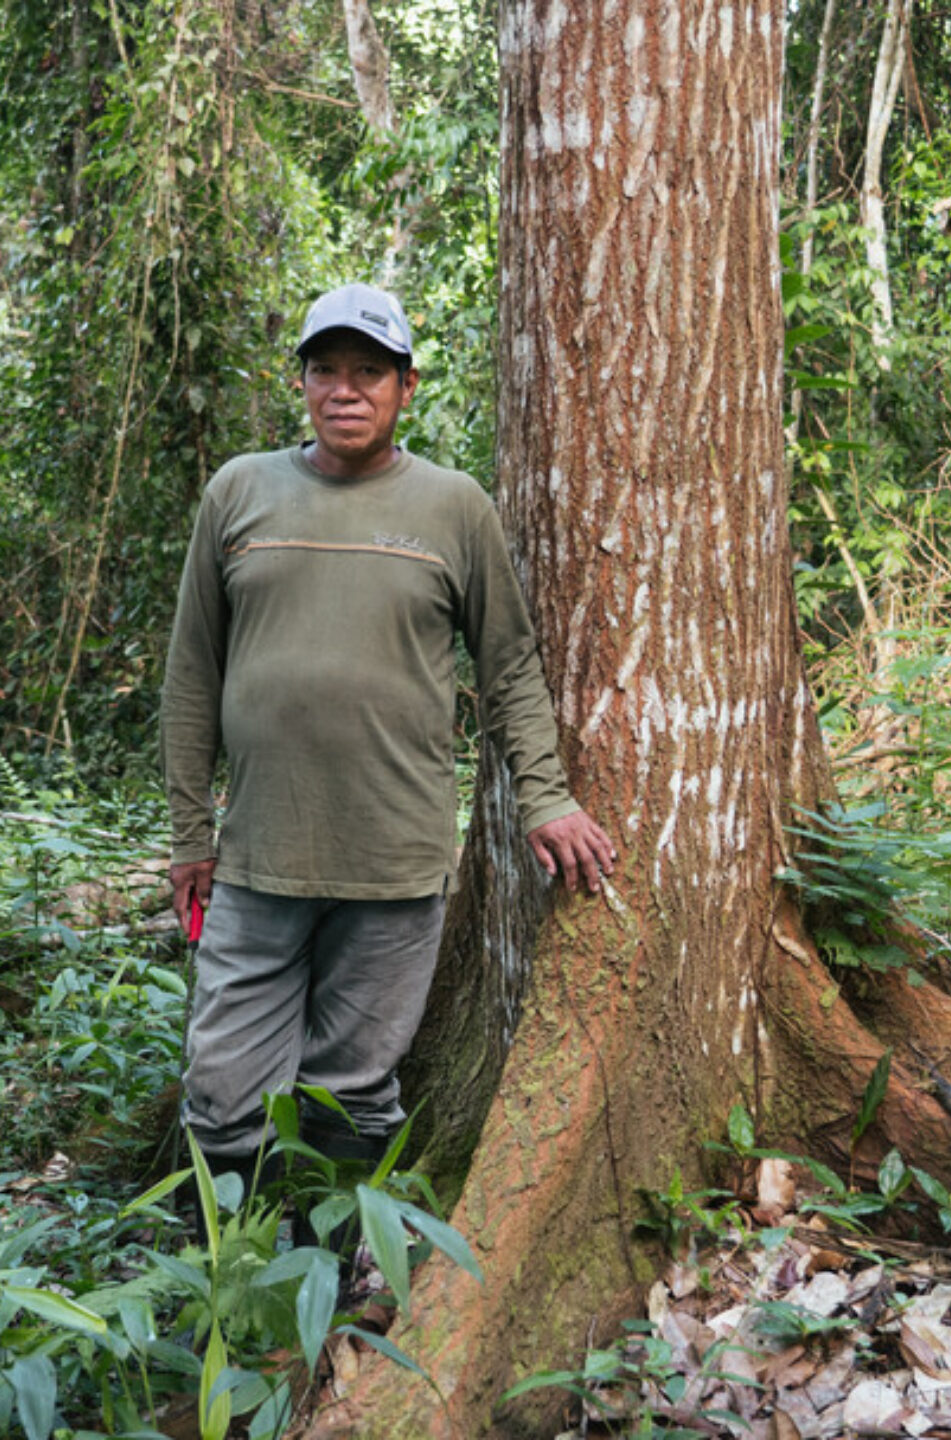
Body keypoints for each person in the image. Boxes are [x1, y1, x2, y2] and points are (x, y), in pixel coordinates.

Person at [161, 282, 615, 1197]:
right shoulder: (240, 492)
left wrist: (546, 796)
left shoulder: (453, 507)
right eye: (325, 370)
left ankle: (321, 1289)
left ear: (406, 386)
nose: (345, 390)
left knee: (354, 1093)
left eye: (368, 371)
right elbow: (190, 677)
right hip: (257, 860)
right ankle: (227, 1280)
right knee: (220, 1092)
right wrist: (188, 839)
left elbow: (510, 665)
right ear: (301, 384)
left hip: (396, 867)